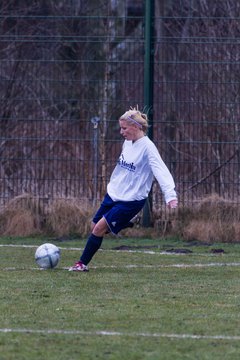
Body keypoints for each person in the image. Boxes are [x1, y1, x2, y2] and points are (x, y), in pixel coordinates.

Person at [69, 107, 178, 271]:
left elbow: (161, 171)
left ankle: (81, 264)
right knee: (94, 227)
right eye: (121, 128)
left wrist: (170, 195)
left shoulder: (148, 148)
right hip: (114, 194)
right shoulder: (127, 143)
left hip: (131, 200)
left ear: (136, 127)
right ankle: (123, 222)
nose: (121, 132)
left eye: (124, 128)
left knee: (99, 228)